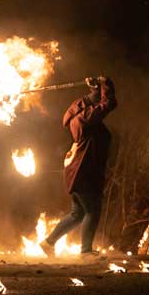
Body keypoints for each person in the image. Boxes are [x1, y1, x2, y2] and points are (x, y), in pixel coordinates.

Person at [42, 76, 117, 256]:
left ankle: (48, 243)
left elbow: (91, 102)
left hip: (77, 171)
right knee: (93, 210)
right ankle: (86, 252)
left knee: (78, 214)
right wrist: (106, 83)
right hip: (83, 173)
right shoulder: (84, 119)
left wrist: (95, 88)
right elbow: (109, 104)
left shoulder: (78, 116)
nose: (92, 105)